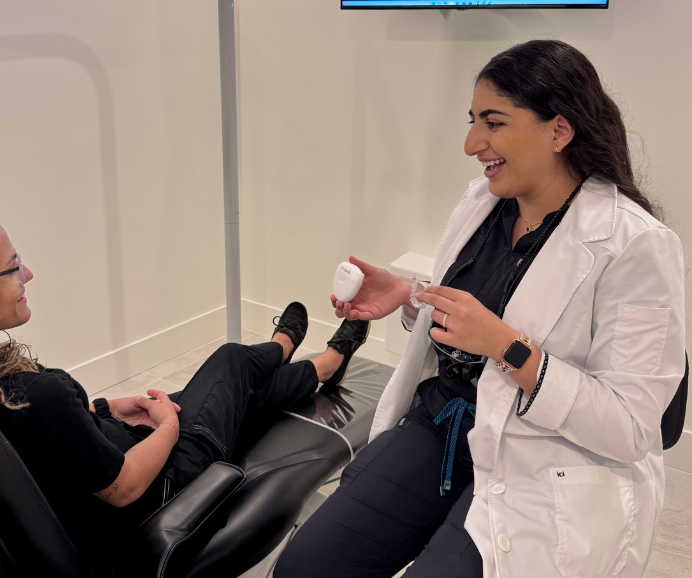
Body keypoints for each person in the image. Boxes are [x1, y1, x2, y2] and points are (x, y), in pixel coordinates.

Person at [275, 40, 686, 578]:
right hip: (442, 425)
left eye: (493, 122)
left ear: (559, 131)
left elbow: (631, 428)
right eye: (472, 121)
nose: (472, 143)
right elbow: (489, 304)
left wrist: (506, 347)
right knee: (305, 567)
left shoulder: (634, 245)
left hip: (543, 457)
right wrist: (408, 296)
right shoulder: (484, 202)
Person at [0, 200, 371, 576]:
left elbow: (46, 444)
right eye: (13, 267)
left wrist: (101, 408)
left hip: (103, 470)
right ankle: (308, 356)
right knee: (230, 362)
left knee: (238, 388)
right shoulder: (28, 396)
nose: (28, 276)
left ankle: (293, 356)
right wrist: (166, 427)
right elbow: (124, 488)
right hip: (161, 490)